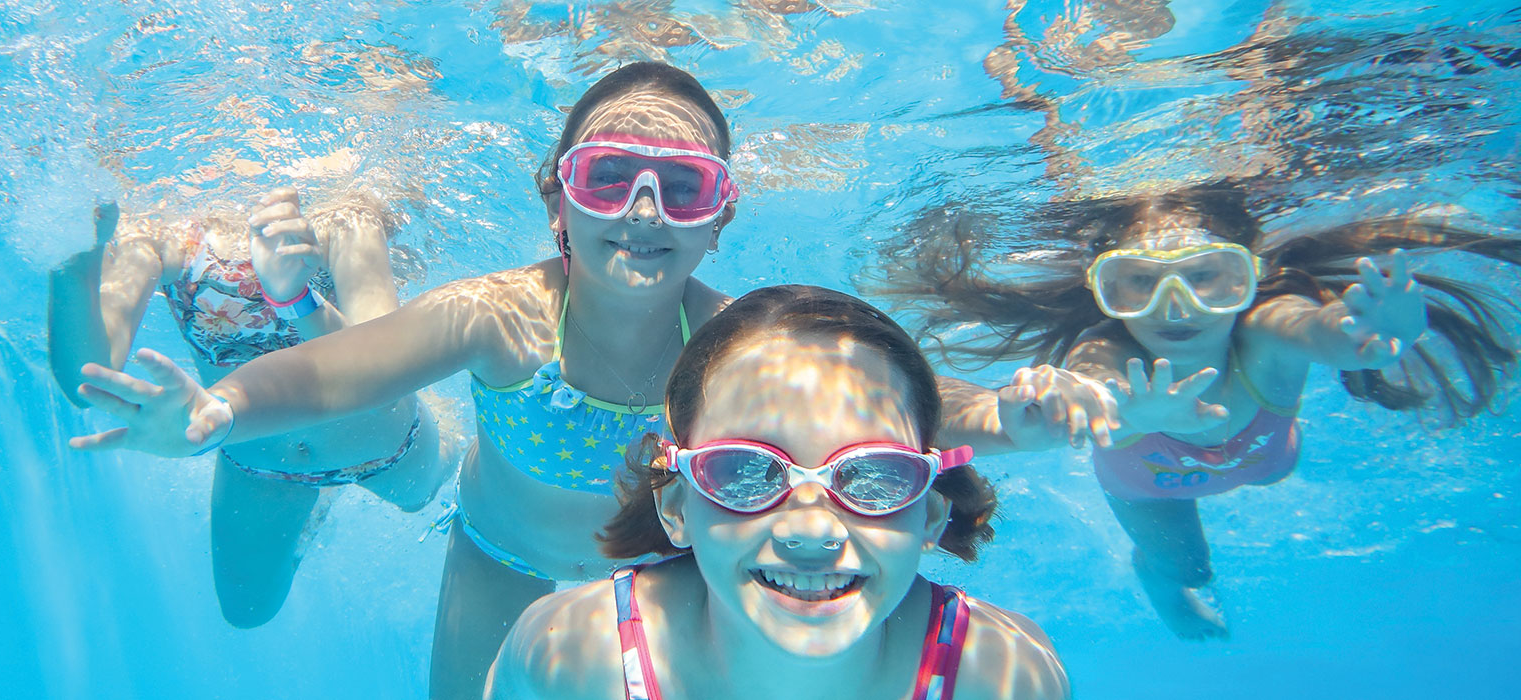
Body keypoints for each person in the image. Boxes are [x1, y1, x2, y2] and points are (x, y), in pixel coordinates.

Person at [67, 62, 1110, 697]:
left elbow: (872, 414)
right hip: (499, 556)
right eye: (611, 178)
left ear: (720, 217)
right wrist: (221, 409)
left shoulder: (730, 343)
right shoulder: (502, 317)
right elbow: (340, 371)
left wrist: (1016, 418)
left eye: (683, 188)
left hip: (669, 580)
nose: (645, 210)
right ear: (556, 200)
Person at [876, 180, 1521, 639]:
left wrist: (1364, 334)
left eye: (1207, 278)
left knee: (1270, 467)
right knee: (1185, 567)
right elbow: (1096, 388)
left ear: (1247, 279)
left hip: (1266, 458)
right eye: (1138, 283)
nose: (1175, 306)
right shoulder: (1106, 348)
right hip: (1152, 486)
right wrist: (1097, 405)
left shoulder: (1266, 328)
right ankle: (1167, 590)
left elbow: (1320, 331)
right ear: (1104, 290)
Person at [485, 285, 1069, 700]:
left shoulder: (1000, 677)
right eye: (745, 471)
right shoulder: (572, 659)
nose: (811, 532)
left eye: (874, 476)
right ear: (676, 506)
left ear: (932, 516)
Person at [48, 191, 445, 629]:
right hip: (259, 465)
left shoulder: (345, 217)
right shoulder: (162, 235)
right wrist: (75, 264)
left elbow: (387, 373)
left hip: (384, 447)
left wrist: (296, 298)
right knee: (247, 611)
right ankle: (316, 504)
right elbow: (87, 383)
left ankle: (448, 420)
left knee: (421, 500)